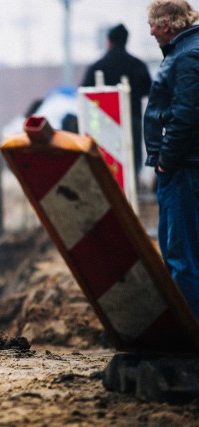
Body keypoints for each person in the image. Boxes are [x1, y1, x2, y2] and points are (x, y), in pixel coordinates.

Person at [143, 0, 199, 319]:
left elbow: (187, 114)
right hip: (186, 165)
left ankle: (190, 339)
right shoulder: (187, 49)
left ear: (167, 23)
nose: (150, 31)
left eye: (153, 24)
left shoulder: (188, 54)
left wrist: (166, 160)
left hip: (183, 169)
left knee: (181, 257)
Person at [81, 23, 153, 182]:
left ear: (109, 41)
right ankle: (132, 187)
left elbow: (84, 92)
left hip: (103, 122)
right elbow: (149, 90)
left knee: (106, 160)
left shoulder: (97, 66)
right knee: (131, 157)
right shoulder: (137, 64)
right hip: (131, 119)